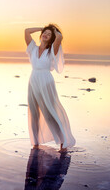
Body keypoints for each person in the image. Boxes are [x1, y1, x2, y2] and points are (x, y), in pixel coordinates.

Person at [24, 23, 76, 152]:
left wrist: (53, 30)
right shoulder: (33, 49)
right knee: (34, 113)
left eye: (49, 34)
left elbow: (59, 37)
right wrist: (43, 29)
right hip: (33, 80)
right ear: (41, 35)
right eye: (44, 33)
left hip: (46, 81)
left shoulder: (52, 50)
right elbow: (27, 31)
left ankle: (63, 143)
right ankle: (36, 143)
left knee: (50, 113)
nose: (46, 35)